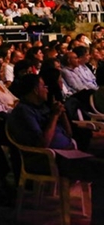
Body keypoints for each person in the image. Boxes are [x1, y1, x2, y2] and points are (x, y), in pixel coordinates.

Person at [8, 73, 104, 224]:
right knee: (100, 170)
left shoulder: (42, 107)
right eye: (43, 86)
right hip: (50, 159)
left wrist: (61, 114)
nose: (47, 89)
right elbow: (42, 144)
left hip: (69, 152)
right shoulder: (24, 111)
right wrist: (53, 116)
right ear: (35, 90)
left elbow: (69, 133)